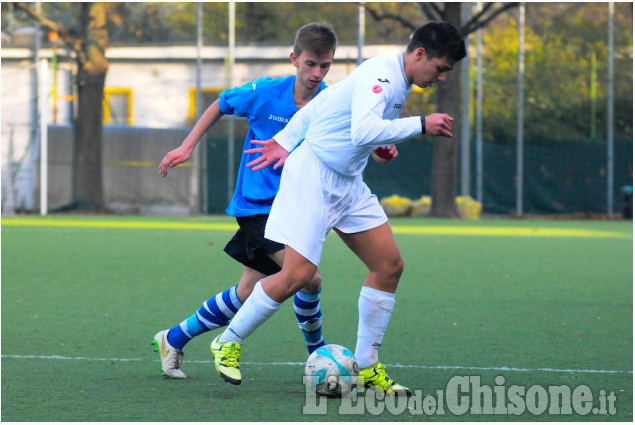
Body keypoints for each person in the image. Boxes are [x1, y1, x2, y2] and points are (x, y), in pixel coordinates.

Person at [210, 21, 466, 396]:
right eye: (441, 69)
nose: (441, 78)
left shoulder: (392, 79)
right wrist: (421, 125)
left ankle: (366, 366)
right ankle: (228, 341)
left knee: (389, 266)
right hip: (314, 178)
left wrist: (286, 140)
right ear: (420, 54)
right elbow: (363, 130)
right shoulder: (382, 76)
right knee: (298, 275)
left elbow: (326, 109)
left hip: (347, 183)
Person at [152, 22, 339, 379]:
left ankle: (172, 338)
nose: (317, 73)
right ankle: (318, 355)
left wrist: (381, 148)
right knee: (308, 277)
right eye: (311, 64)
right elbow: (221, 103)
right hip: (259, 207)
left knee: (248, 291)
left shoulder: (330, 101)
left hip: (301, 207)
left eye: (325, 65)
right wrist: (187, 146)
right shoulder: (266, 92)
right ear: (294, 59)